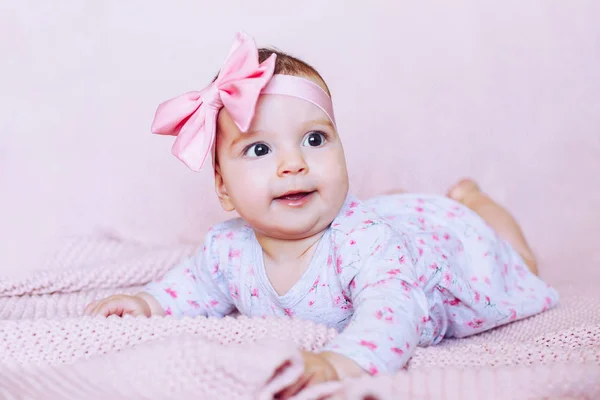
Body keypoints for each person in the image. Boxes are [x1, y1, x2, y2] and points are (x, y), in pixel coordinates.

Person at [84, 31, 558, 398]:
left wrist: (341, 362)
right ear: (224, 188)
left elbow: (392, 315)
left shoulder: (368, 245)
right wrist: (149, 303)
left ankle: (472, 201)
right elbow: (193, 286)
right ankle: (414, 198)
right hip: (390, 217)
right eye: (260, 148)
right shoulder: (227, 249)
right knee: (390, 211)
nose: (293, 164)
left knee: (518, 264)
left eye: (315, 139)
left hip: (450, 246)